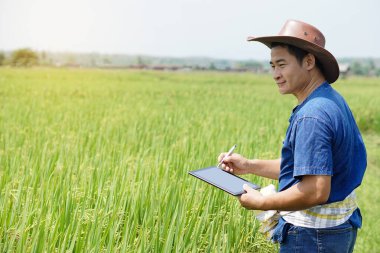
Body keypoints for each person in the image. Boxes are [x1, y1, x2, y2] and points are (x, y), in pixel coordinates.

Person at [218, 20, 367, 253]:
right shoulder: (329, 99)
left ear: (308, 61)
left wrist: (262, 202)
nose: (276, 74)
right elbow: (307, 167)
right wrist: (248, 165)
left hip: (313, 237)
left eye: (282, 65)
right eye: (272, 66)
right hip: (336, 229)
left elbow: (316, 189)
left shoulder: (312, 116)